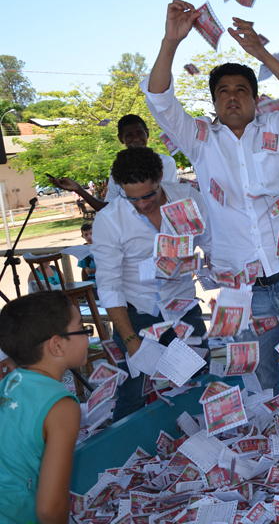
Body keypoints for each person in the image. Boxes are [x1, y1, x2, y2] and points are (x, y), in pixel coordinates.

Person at [141, 0, 279, 395]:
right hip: (243, 290)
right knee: (257, 381)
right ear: (215, 104)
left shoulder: (278, 131)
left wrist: (260, 52)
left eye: (241, 90)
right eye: (223, 92)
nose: (232, 97)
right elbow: (160, 102)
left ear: (255, 99)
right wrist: (171, 41)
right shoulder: (200, 141)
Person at [92, 147, 211, 421]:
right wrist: (130, 338)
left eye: (148, 195)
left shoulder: (188, 198)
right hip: (137, 311)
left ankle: (199, 435)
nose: (143, 204)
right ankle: (120, 450)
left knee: (196, 376)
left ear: (160, 177)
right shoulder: (109, 219)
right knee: (135, 388)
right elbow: (109, 285)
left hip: (182, 306)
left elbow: (211, 242)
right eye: (132, 198)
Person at [0, 291, 88, 524]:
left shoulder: (10, 379)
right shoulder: (62, 406)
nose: (88, 336)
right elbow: (50, 510)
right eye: (82, 328)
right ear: (57, 345)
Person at [49, 114, 179, 212]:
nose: (135, 139)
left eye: (139, 133)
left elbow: (163, 205)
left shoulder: (165, 163)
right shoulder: (118, 169)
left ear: (147, 134)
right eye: (129, 135)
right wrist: (79, 189)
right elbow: (108, 209)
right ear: (121, 139)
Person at [77, 222, 97, 291]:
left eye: (91, 233)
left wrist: (91, 270)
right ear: (82, 236)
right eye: (86, 235)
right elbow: (84, 271)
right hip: (92, 285)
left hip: (105, 283)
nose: (89, 237)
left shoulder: (102, 247)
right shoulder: (83, 251)